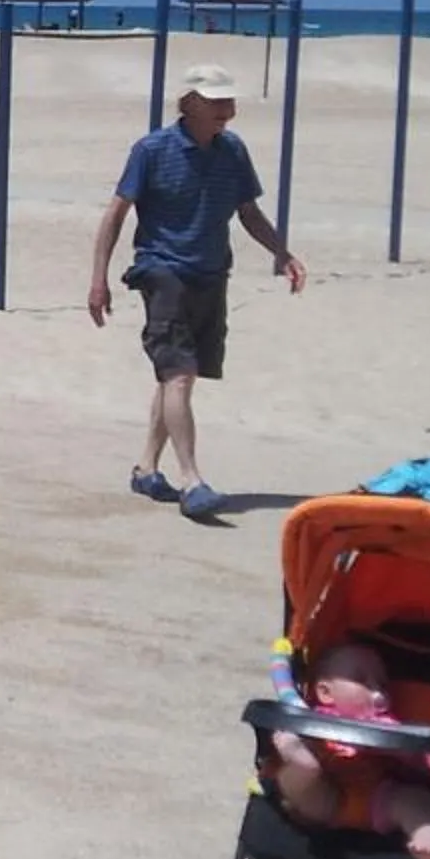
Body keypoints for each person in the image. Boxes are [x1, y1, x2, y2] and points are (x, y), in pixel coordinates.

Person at [87, 62, 306, 519]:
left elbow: (248, 211)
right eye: (216, 101)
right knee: (180, 375)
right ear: (189, 104)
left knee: (174, 378)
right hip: (162, 269)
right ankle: (192, 480)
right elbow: (115, 214)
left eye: (229, 100)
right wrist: (99, 279)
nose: (227, 109)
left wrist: (282, 253)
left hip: (211, 272)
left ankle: (146, 468)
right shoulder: (151, 149)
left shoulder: (233, 151)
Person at [266, 642, 430, 859]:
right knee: (296, 782)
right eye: (362, 680)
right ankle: (301, 763)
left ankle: (427, 839)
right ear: (325, 692)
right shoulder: (313, 717)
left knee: (419, 803)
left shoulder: (394, 725)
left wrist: (409, 750)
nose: (377, 689)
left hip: (380, 795)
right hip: (327, 787)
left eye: (382, 683)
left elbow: (423, 762)